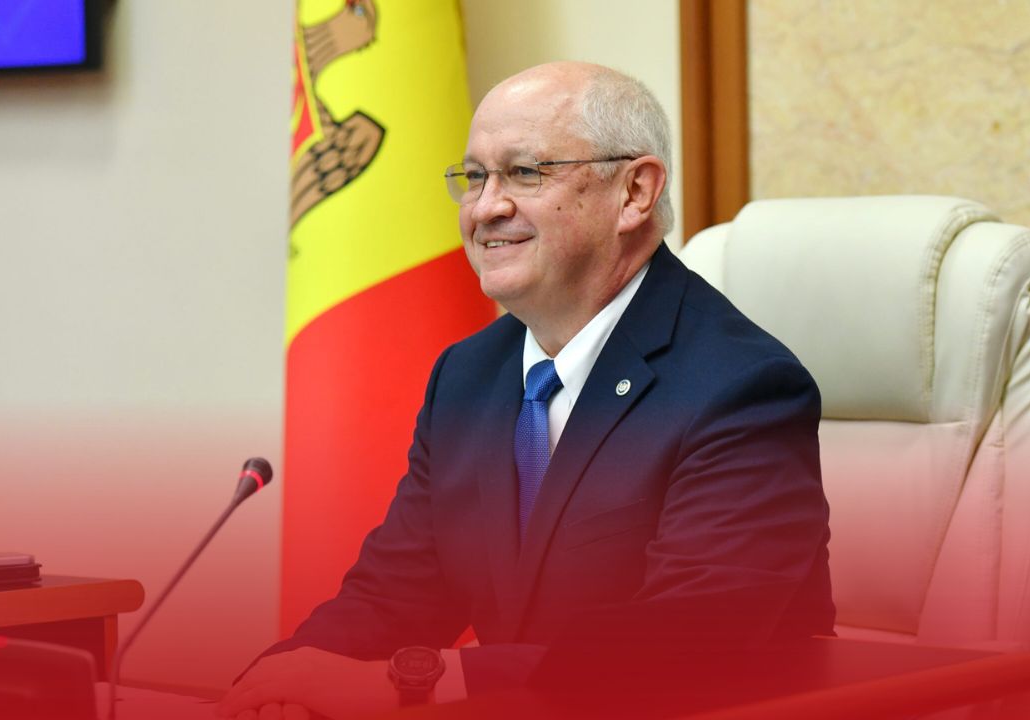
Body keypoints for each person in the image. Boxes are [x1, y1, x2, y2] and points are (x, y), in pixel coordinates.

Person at [218, 61, 833, 720]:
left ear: (634, 193)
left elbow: (686, 640)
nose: (486, 208)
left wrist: (417, 685)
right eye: (474, 178)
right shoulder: (468, 375)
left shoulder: (741, 387)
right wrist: (276, 686)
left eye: (525, 172)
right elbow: (392, 595)